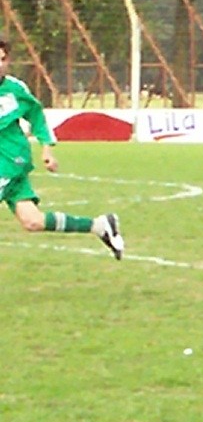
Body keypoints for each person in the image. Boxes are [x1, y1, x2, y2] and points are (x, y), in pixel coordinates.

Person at [0, 39, 124, 259]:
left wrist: (47, 148)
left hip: (10, 161)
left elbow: (37, 116)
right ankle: (99, 226)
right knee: (33, 221)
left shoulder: (15, 90)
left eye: (2, 59)